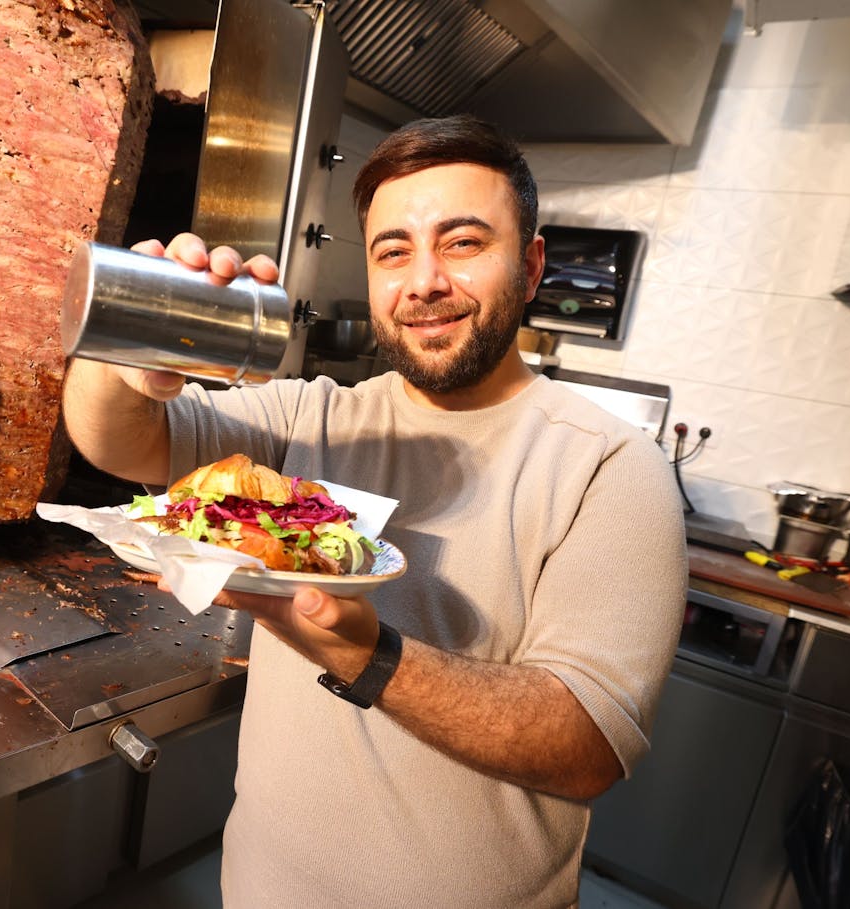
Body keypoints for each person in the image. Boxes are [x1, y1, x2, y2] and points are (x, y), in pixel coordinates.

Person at [61, 115, 686, 908]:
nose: (423, 280)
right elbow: (116, 440)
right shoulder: (309, 418)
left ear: (530, 267)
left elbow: (585, 744)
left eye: (463, 242)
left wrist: (368, 655)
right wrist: (129, 346)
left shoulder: (611, 469)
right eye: (393, 251)